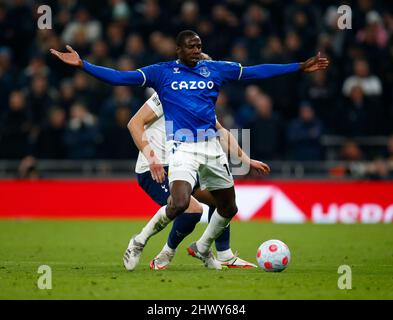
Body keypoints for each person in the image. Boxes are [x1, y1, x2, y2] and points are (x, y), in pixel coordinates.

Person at [50, 30, 329, 270]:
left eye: (199, 46)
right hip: (182, 149)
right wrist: (83, 65)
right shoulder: (162, 73)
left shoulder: (215, 69)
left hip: (211, 150)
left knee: (228, 206)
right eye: (191, 46)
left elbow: (256, 71)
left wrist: (298, 67)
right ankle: (140, 241)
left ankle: (204, 247)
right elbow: (119, 78)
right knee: (183, 204)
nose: (197, 50)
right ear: (178, 49)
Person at [130, 86, 266, 269]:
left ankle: (224, 254)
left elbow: (221, 133)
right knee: (192, 210)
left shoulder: (202, 102)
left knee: (221, 201)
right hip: (154, 167)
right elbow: (134, 123)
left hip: (184, 163)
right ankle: (152, 249)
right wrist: (151, 157)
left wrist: (246, 159)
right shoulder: (168, 92)